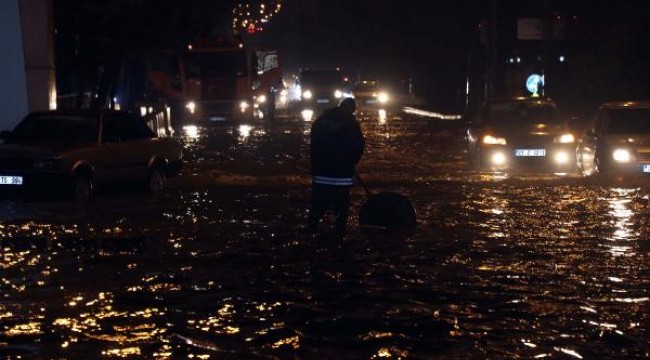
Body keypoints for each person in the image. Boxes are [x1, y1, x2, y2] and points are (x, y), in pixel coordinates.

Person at [308, 97, 365, 237]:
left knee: (317, 205)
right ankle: (340, 232)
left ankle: (311, 229)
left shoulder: (321, 121)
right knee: (341, 207)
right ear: (352, 109)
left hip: (321, 174)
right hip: (342, 176)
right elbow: (359, 145)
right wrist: (351, 162)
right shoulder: (352, 123)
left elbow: (313, 144)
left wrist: (316, 164)